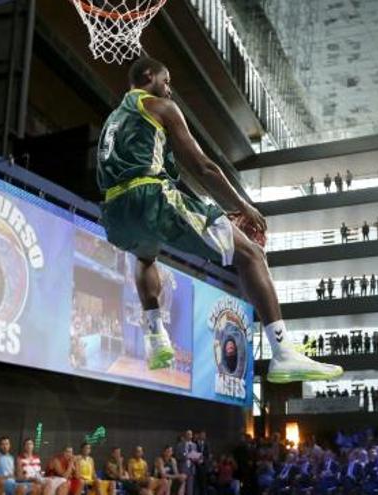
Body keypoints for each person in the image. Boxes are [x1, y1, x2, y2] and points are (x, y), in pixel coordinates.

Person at [96, 57, 341, 383]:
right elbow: (203, 167)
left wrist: (213, 217)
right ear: (148, 75)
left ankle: (155, 337)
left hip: (115, 214)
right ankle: (283, 353)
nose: (170, 89)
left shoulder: (114, 119)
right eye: (167, 81)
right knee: (251, 253)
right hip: (150, 198)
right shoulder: (160, 107)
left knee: (145, 255)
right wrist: (242, 205)